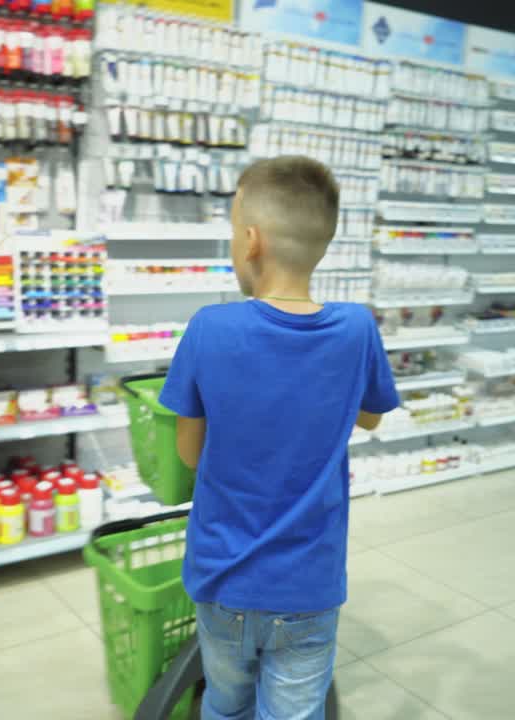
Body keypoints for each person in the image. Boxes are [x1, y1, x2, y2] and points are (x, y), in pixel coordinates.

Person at [158, 156, 400, 720]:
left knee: (224, 702)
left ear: (250, 241)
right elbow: (370, 418)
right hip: (309, 585)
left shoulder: (208, 329)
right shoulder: (357, 328)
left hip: (222, 579)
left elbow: (189, 452)